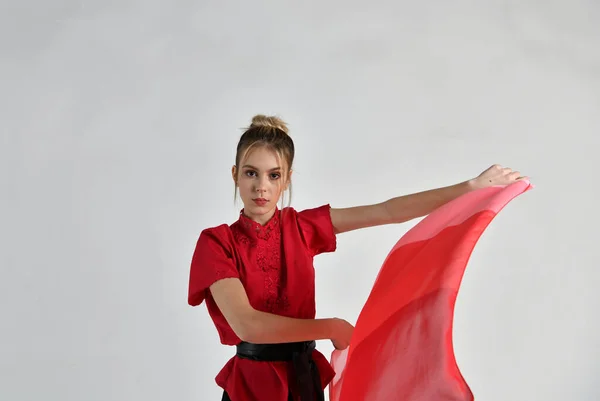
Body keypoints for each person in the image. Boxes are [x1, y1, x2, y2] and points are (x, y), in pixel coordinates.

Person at [187, 114, 526, 401]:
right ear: (235, 175)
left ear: (286, 179)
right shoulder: (217, 243)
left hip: (303, 382)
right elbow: (249, 325)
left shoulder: (302, 228)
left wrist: (469, 188)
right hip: (250, 388)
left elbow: (388, 211)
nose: (261, 186)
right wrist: (331, 327)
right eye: (251, 173)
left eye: (273, 175)